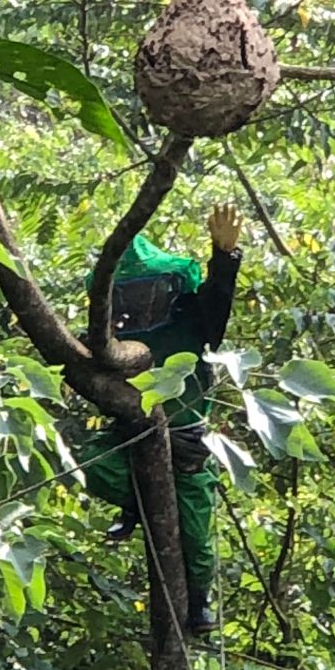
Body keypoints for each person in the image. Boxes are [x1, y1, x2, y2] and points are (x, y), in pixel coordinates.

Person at [80, 204, 243, 634]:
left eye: (149, 292)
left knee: (195, 531)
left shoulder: (192, 313)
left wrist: (225, 257)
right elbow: (93, 380)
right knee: (91, 467)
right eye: (131, 294)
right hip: (129, 436)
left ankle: (200, 602)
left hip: (187, 439)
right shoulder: (110, 335)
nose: (140, 302)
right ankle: (141, 502)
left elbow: (217, 302)